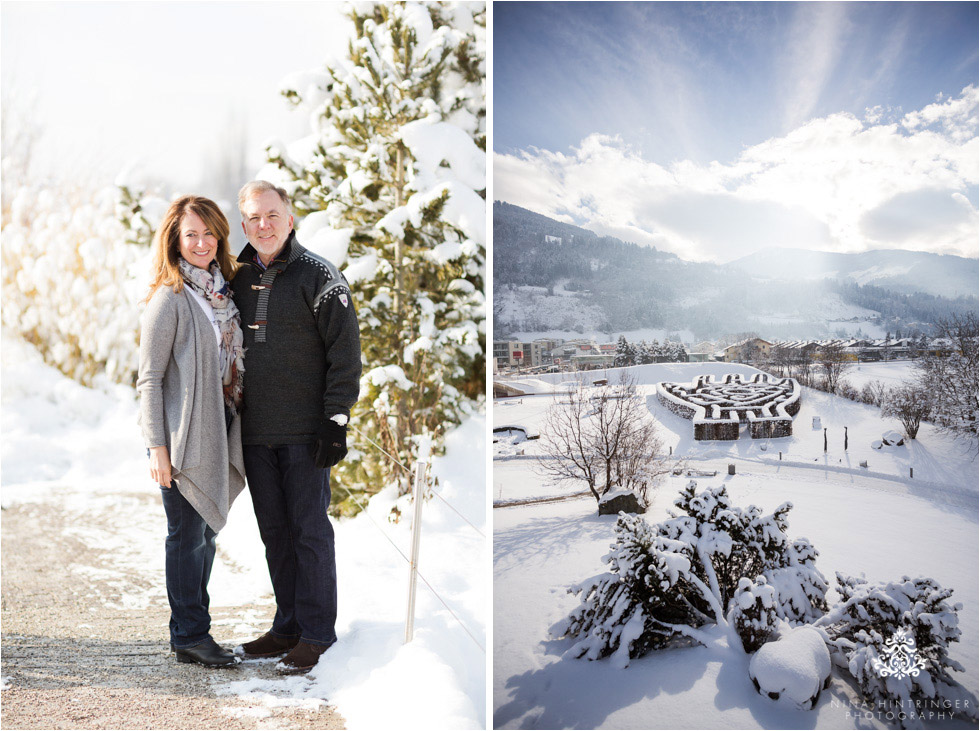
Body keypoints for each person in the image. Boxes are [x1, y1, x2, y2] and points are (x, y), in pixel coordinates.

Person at [231, 180, 361, 675]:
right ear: (244, 225)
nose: (263, 225)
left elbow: (345, 357)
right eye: (253, 218)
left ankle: (316, 633)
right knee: (275, 534)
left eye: (272, 215)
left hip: (307, 433)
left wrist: (336, 419)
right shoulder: (237, 276)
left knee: (309, 532)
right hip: (255, 431)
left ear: (290, 218)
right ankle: (286, 625)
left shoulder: (320, 276)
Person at [137, 195, 247, 667]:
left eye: (208, 233)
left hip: (220, 426)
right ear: (175, 241)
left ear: (219, 236)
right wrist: (156, 448)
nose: (201, 243)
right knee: (186, 536)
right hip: (183, 435)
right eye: (191, 235)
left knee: (205, 535)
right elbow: (149, 378)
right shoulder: (171, 297)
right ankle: (189, 635)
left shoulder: (224, 293)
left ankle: (192, 632)